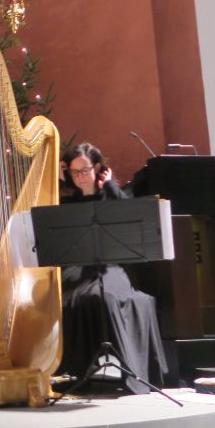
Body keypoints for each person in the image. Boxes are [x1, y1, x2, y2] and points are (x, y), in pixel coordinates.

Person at [58, 142, 167, 394]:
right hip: (77, 268)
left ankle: (129, 367)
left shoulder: (111, 194)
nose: (81, 177)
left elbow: (128, 214)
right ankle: (77, 367)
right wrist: (60, 180)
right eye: (75, 172)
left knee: (104, 295)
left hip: (110, 266)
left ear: (97, 168)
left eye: (85, 170)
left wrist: (109, 186)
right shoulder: (66, 205)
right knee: (71, 297)